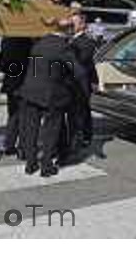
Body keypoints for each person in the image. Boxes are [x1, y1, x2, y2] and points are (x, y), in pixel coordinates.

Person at [17, 18, 85, 177]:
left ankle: (30, 163)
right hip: (52, 94)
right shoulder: (63, 47)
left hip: (30, 90)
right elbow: (78, 71)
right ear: (68, 30)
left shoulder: (40, 42)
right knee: (51, 130)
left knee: (31, 130)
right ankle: (46, 166)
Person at [0, 36, 33, 157]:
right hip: (24, 82)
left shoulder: (7, 40)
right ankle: (22, 148)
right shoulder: (28, 40)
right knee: (24, 118)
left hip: (11, 83)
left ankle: (9, 145)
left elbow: (0, 61)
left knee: (13, 115)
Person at [69, 12, 99, 149]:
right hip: (74, 82)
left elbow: (81, 61)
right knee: (81, 111)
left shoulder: (86, 42)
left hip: (80, 83)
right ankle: (84, 135)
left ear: (82, 25)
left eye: (73, 23)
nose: (70, 25)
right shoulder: (70, 40)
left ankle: (82, 138)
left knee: (80, 111)